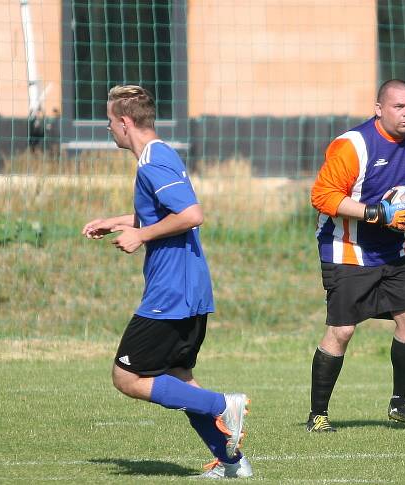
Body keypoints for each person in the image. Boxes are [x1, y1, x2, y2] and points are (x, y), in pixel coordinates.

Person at [81, 85, 253, 478]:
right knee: (177, 379)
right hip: (188, 289)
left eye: (110, 122)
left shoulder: (152, 162)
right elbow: (164, 213)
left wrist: (140, 235)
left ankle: (222, 404)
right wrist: (119, 221)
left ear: (125, 122)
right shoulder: (158, 155)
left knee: (126, 377)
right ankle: (232, 463)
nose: (109, 130)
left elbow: (191, 214)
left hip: (171, 291)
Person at [308, 79, 405, 432]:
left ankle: (401, 404)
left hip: (392, 251)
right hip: (346, 249)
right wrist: (378, 213)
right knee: (342, 331)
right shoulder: (354, 145)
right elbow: (322, 196)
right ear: (379, 108)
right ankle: (318, 414)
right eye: (399, 106)